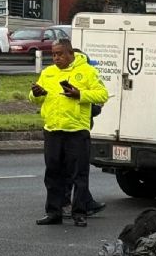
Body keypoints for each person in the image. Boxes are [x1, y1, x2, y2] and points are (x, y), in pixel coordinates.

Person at [29, 39, 109, 227]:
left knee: (78, 174)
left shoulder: (87, 71)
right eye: (53, 54)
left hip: (76, 130)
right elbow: (34, 99)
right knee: (53, 173)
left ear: (70, 53)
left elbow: (102, 94)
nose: (56, 58)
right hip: (53, 129)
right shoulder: (48, 72)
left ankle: (79, 213)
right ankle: (53, 212)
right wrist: (36, 94)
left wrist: (80, 94)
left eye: (60, 54)